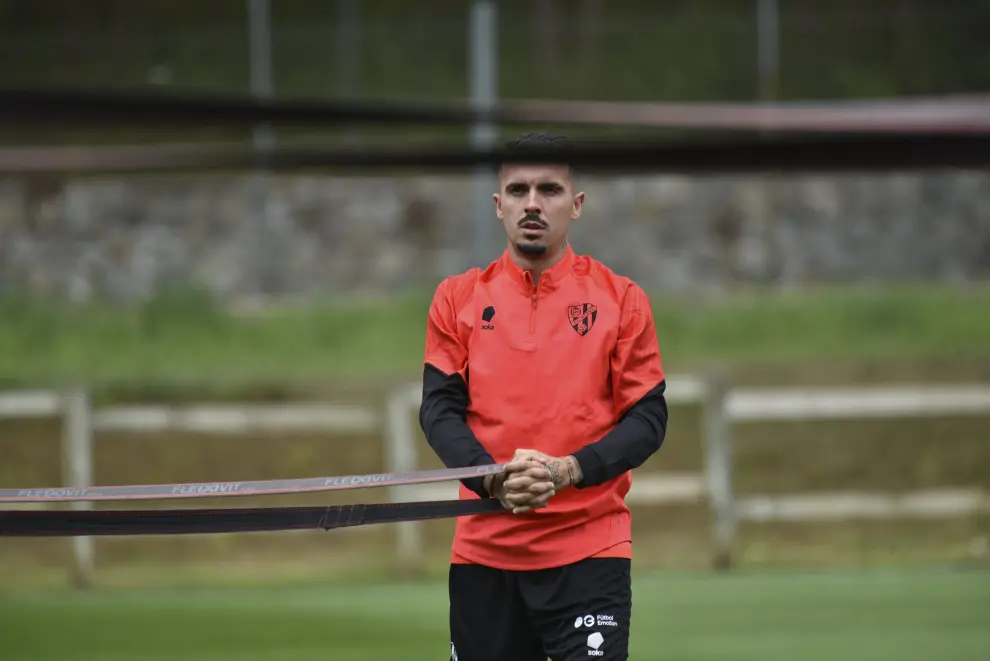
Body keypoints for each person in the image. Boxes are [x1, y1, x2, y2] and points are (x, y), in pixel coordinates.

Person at [419, 131, 668, 661]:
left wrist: (569, 471)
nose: (533, 203)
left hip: (589, 552)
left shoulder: (621, 299)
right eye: (519, 190)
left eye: (550, 190)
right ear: (499, 204)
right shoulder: (456, 298)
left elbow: (647, 419)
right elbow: (439, 411)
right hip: (484, 556)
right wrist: (492, 479)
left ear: (576, 205)